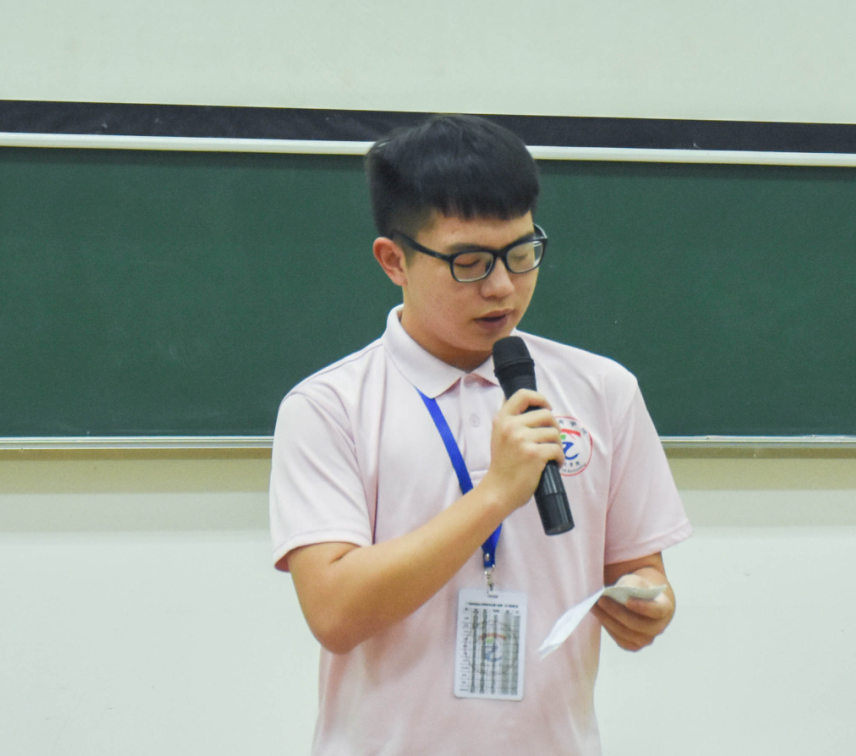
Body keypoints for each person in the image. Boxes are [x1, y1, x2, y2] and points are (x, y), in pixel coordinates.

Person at [269, 114, 691, 755]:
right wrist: (495, 495)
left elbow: (638, 568)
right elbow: (335, 612)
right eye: (469, 262)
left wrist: (646, 604)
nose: (502, 287)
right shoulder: (329, 407)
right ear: (394, 260)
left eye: (521, 255)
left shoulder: (603, 389)